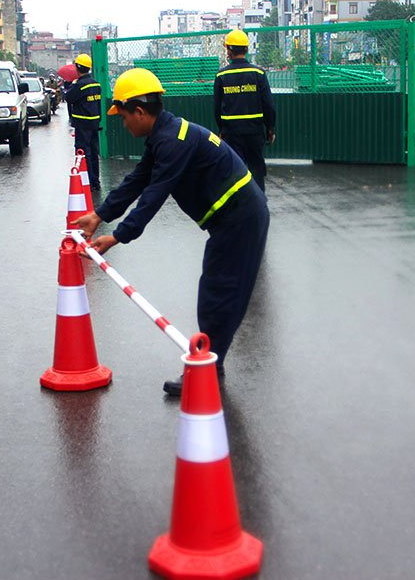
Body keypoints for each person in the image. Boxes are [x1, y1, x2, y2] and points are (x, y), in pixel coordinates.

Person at [73, 69, 269, 397]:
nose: (123, 125)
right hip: (231, 219)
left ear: (139, 111)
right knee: (218, 293)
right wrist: (99, 214)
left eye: (123, 117)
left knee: (218, 294)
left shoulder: (173, 141)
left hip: (240, 218)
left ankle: (208, 371)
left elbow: (154, 194)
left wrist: (118, 236)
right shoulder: (164, 135)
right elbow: (138, 179)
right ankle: (211, 367)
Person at [213, 29, 277, 191]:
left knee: (235, 172)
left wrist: (222, 130)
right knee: (256, 170)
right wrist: (270, 128)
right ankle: (259, 206)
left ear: (228, 50)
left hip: (231, 134)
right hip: (255, 132)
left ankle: (240, 209)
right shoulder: (258, 73)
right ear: (247, 50)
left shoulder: (221, 76)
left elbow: (217, 108)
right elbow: (268, 104)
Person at [64, 53, 102, 190]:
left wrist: (70, 85)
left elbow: (68, 98)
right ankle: (96, 182)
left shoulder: (80, 85)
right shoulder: (96, 84)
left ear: (78, 67)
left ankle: (88, 182)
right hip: (94, 123)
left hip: (82, 124)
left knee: (83, 153)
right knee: (94, 152)